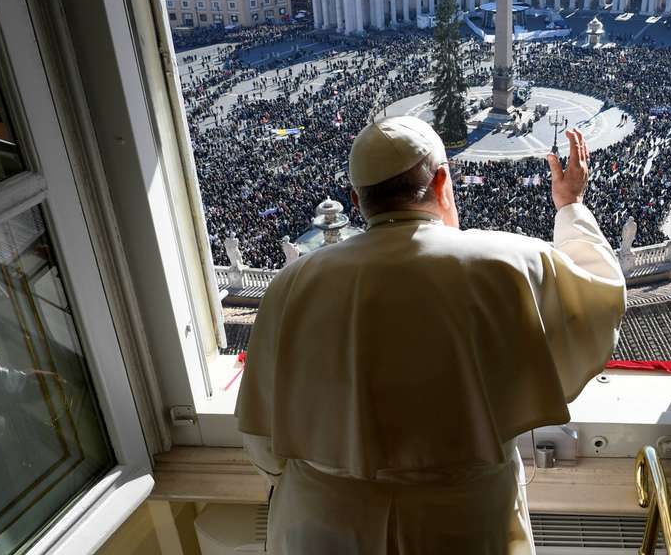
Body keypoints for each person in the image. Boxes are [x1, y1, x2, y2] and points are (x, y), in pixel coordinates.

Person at [237, 116, 627, 553]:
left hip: (324, 524)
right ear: (443, 181)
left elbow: (263, 438)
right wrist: (570, 204)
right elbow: (602, 295)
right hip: (462, 523)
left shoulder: (294, 283)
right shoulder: (506, 261)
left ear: (357, 200)